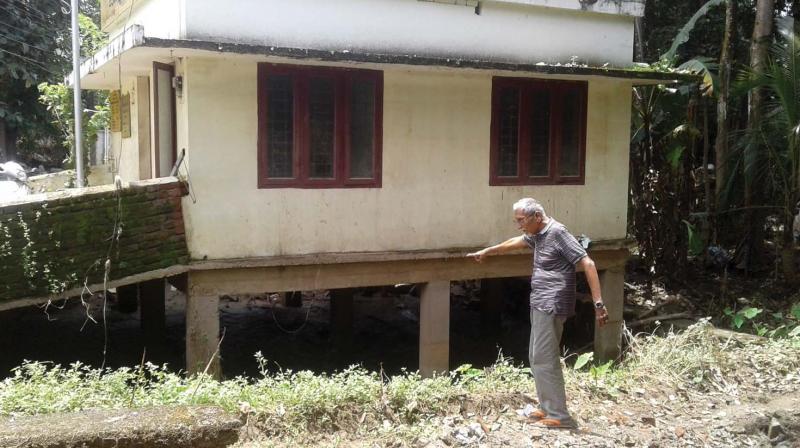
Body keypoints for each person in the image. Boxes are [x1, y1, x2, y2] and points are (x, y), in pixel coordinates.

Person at [466, 198, 608, 429]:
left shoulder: (558, 232)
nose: (519, 225)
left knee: (545, 357)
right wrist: (488, 251)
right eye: (517, 220)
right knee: (536, 356)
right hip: (540, 301)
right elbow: (518, 241)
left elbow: (588, 263)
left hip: (552, 302)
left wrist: (598, 304)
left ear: (537, 217)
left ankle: (560, 416)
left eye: (521, 220)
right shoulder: (538, 234)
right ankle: (547, 407)